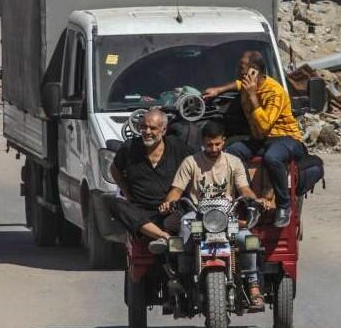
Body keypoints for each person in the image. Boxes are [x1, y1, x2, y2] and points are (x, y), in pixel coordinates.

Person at [160, 121, 269, 309]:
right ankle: (180, 281)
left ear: (223, 142)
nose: (213, 148)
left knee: (249, 240)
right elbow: (176, 190)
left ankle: (253, 285)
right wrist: (169, 202)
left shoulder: (233, 162)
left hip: (227, 217)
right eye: (209, 144)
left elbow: (244, 189)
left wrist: (255, 200)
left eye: (217, 144)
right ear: (203, 142)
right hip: (196, 217)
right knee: (180, 243)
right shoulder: (191, 162)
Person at [203, 50, 305, 228]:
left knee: (272, 157)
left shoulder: (275, 92)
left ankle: (283, 206)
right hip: (261, 139)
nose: (238, 71)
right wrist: (219, 89)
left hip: (285, 138)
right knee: (230, 153)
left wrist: (252, 96)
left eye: (241, 68)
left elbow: (265, 125)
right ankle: (249, 200)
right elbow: (237, 84)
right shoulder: (246, 83)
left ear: (254, 71)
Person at [107, 108, 189, 247]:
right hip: (141, 211)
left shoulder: (177, 147)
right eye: (144, 127)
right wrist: (126, 191)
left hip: (171, 210)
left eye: (153, 128)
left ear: (163, 130)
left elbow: (189, 173)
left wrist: (172, 199)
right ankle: (164, 237)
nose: (147, 132)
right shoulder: (130, 147)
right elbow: (115, 169)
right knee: (116, 204)